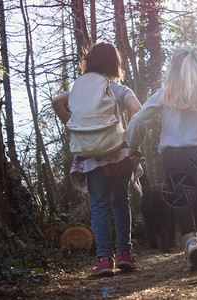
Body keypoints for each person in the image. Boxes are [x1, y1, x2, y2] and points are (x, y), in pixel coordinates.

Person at [52, 42, 142, 277]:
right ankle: (125, 254)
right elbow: (138, 110)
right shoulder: (119, 89)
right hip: (119, 155)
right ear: (115, 64)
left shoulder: (78, 94)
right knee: (121, 203)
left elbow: (56, 102)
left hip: (90, 159)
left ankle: (104, 260)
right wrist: (133, 142)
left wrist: (74, 128)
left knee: (99, 207)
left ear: (89, 62)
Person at [127, 46, 197, 272]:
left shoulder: (163, 95)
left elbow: (137, 121)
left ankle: (192, 244)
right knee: (193, 203)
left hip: (175, 157)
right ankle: (196, 253)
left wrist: (132, 144)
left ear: (173, 70)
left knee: (181, 202)